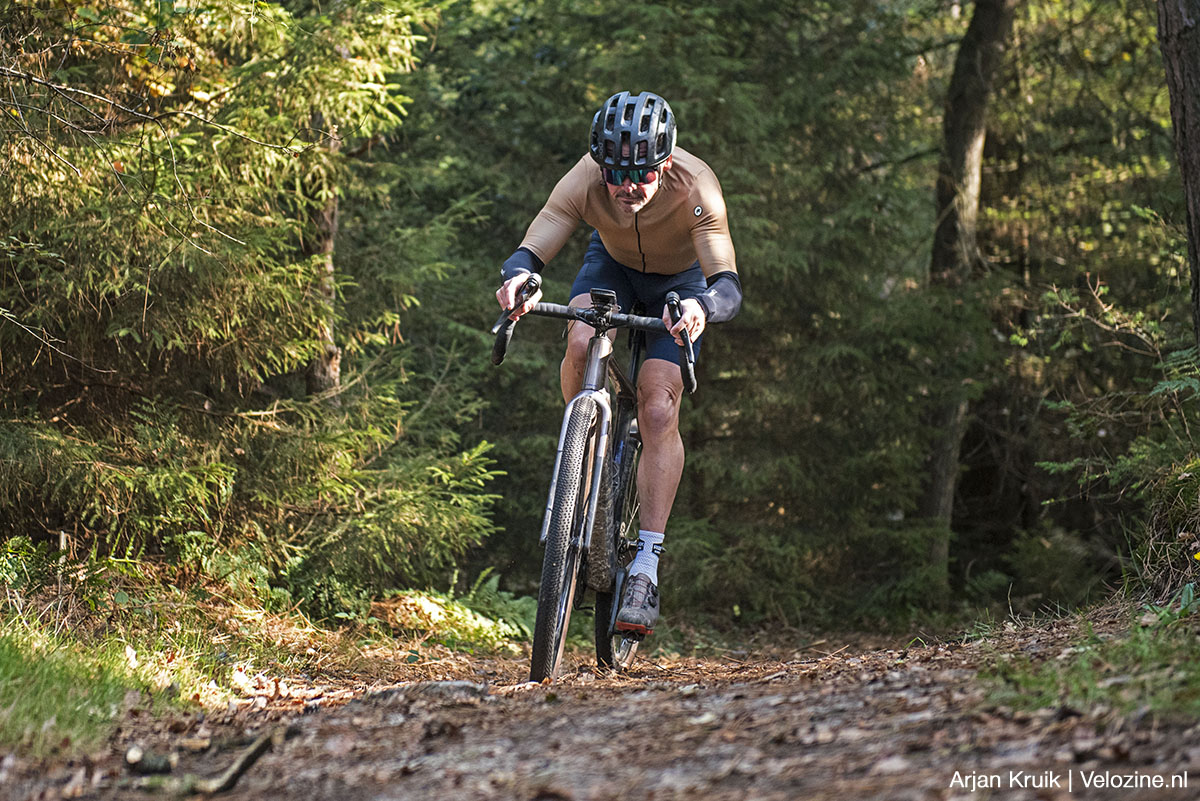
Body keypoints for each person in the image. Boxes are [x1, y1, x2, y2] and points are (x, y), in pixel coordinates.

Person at [495, 90, 743, 637]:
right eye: (616, 175)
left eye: (643, 174)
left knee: (657, 407)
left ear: (666, 163)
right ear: (601, 165)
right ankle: (582, 447)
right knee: (581, 341)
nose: (628, 187)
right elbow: (534, 245)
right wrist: (520, 278)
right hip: (611, 267)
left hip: (682, 285)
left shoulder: (697, 186)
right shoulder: (585, 178)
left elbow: (727, 284)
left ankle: (646, 566)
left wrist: (702, 308)